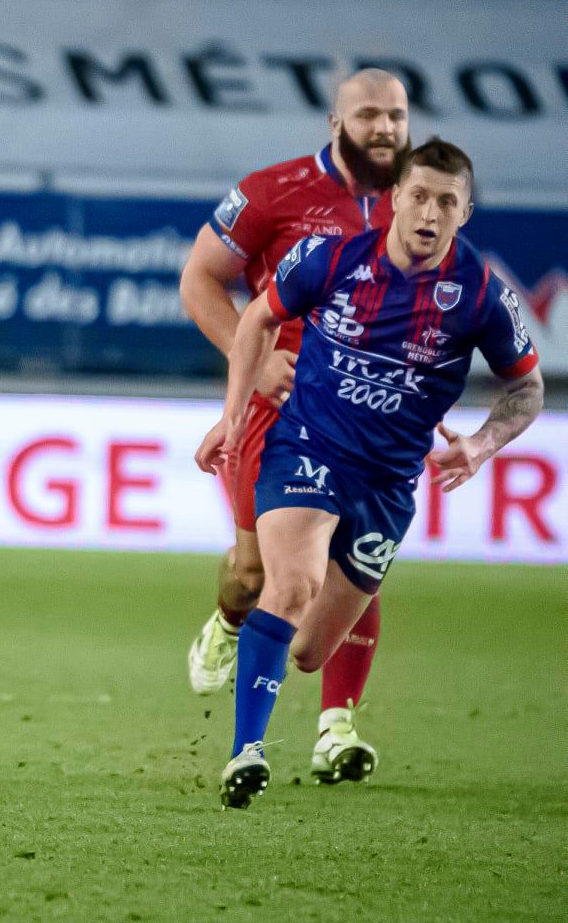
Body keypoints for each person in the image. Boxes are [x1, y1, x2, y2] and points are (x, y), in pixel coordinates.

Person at [194, 138, 543, 809]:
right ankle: (245, 752)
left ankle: (272, 662)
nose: (429, 212)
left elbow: (525, 392)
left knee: (307, 651)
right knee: (289, 583)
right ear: (391, 200)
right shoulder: (330, 258)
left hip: (386, 485)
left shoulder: (479, 298)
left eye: (446, 201)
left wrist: (480, 443)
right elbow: (258, 320)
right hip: (307, 449)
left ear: (464, 213)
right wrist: (231, 417)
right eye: (417, 195)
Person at [180, 69, 409, 784]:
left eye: (396, 116)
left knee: (352, 564)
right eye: (368, 115)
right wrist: (250, 365)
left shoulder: (419, 201)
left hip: (367, 419)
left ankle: (335, 727)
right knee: (256, 574)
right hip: (276, 411)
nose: (384, 129)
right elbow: (198, 280)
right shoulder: (270, 192)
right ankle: (226, 621)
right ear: (334, 121)